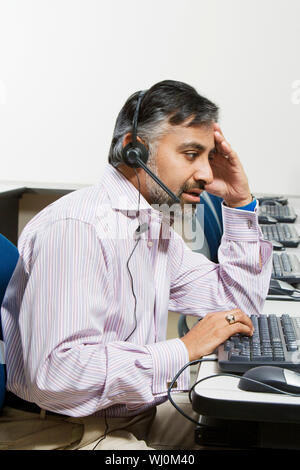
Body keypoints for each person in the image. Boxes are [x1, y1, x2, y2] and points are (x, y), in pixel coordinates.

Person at [0, 80, 272, 450]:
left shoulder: (148, 225)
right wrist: (185, 348)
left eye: (209, 157)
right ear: (134, 151)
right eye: (191, 154)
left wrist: (240, 202)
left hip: (132, 414)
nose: (208, 174)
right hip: (66, 430)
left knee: (252, 429)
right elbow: (58, 373)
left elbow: (237, 303)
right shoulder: (77, 230)